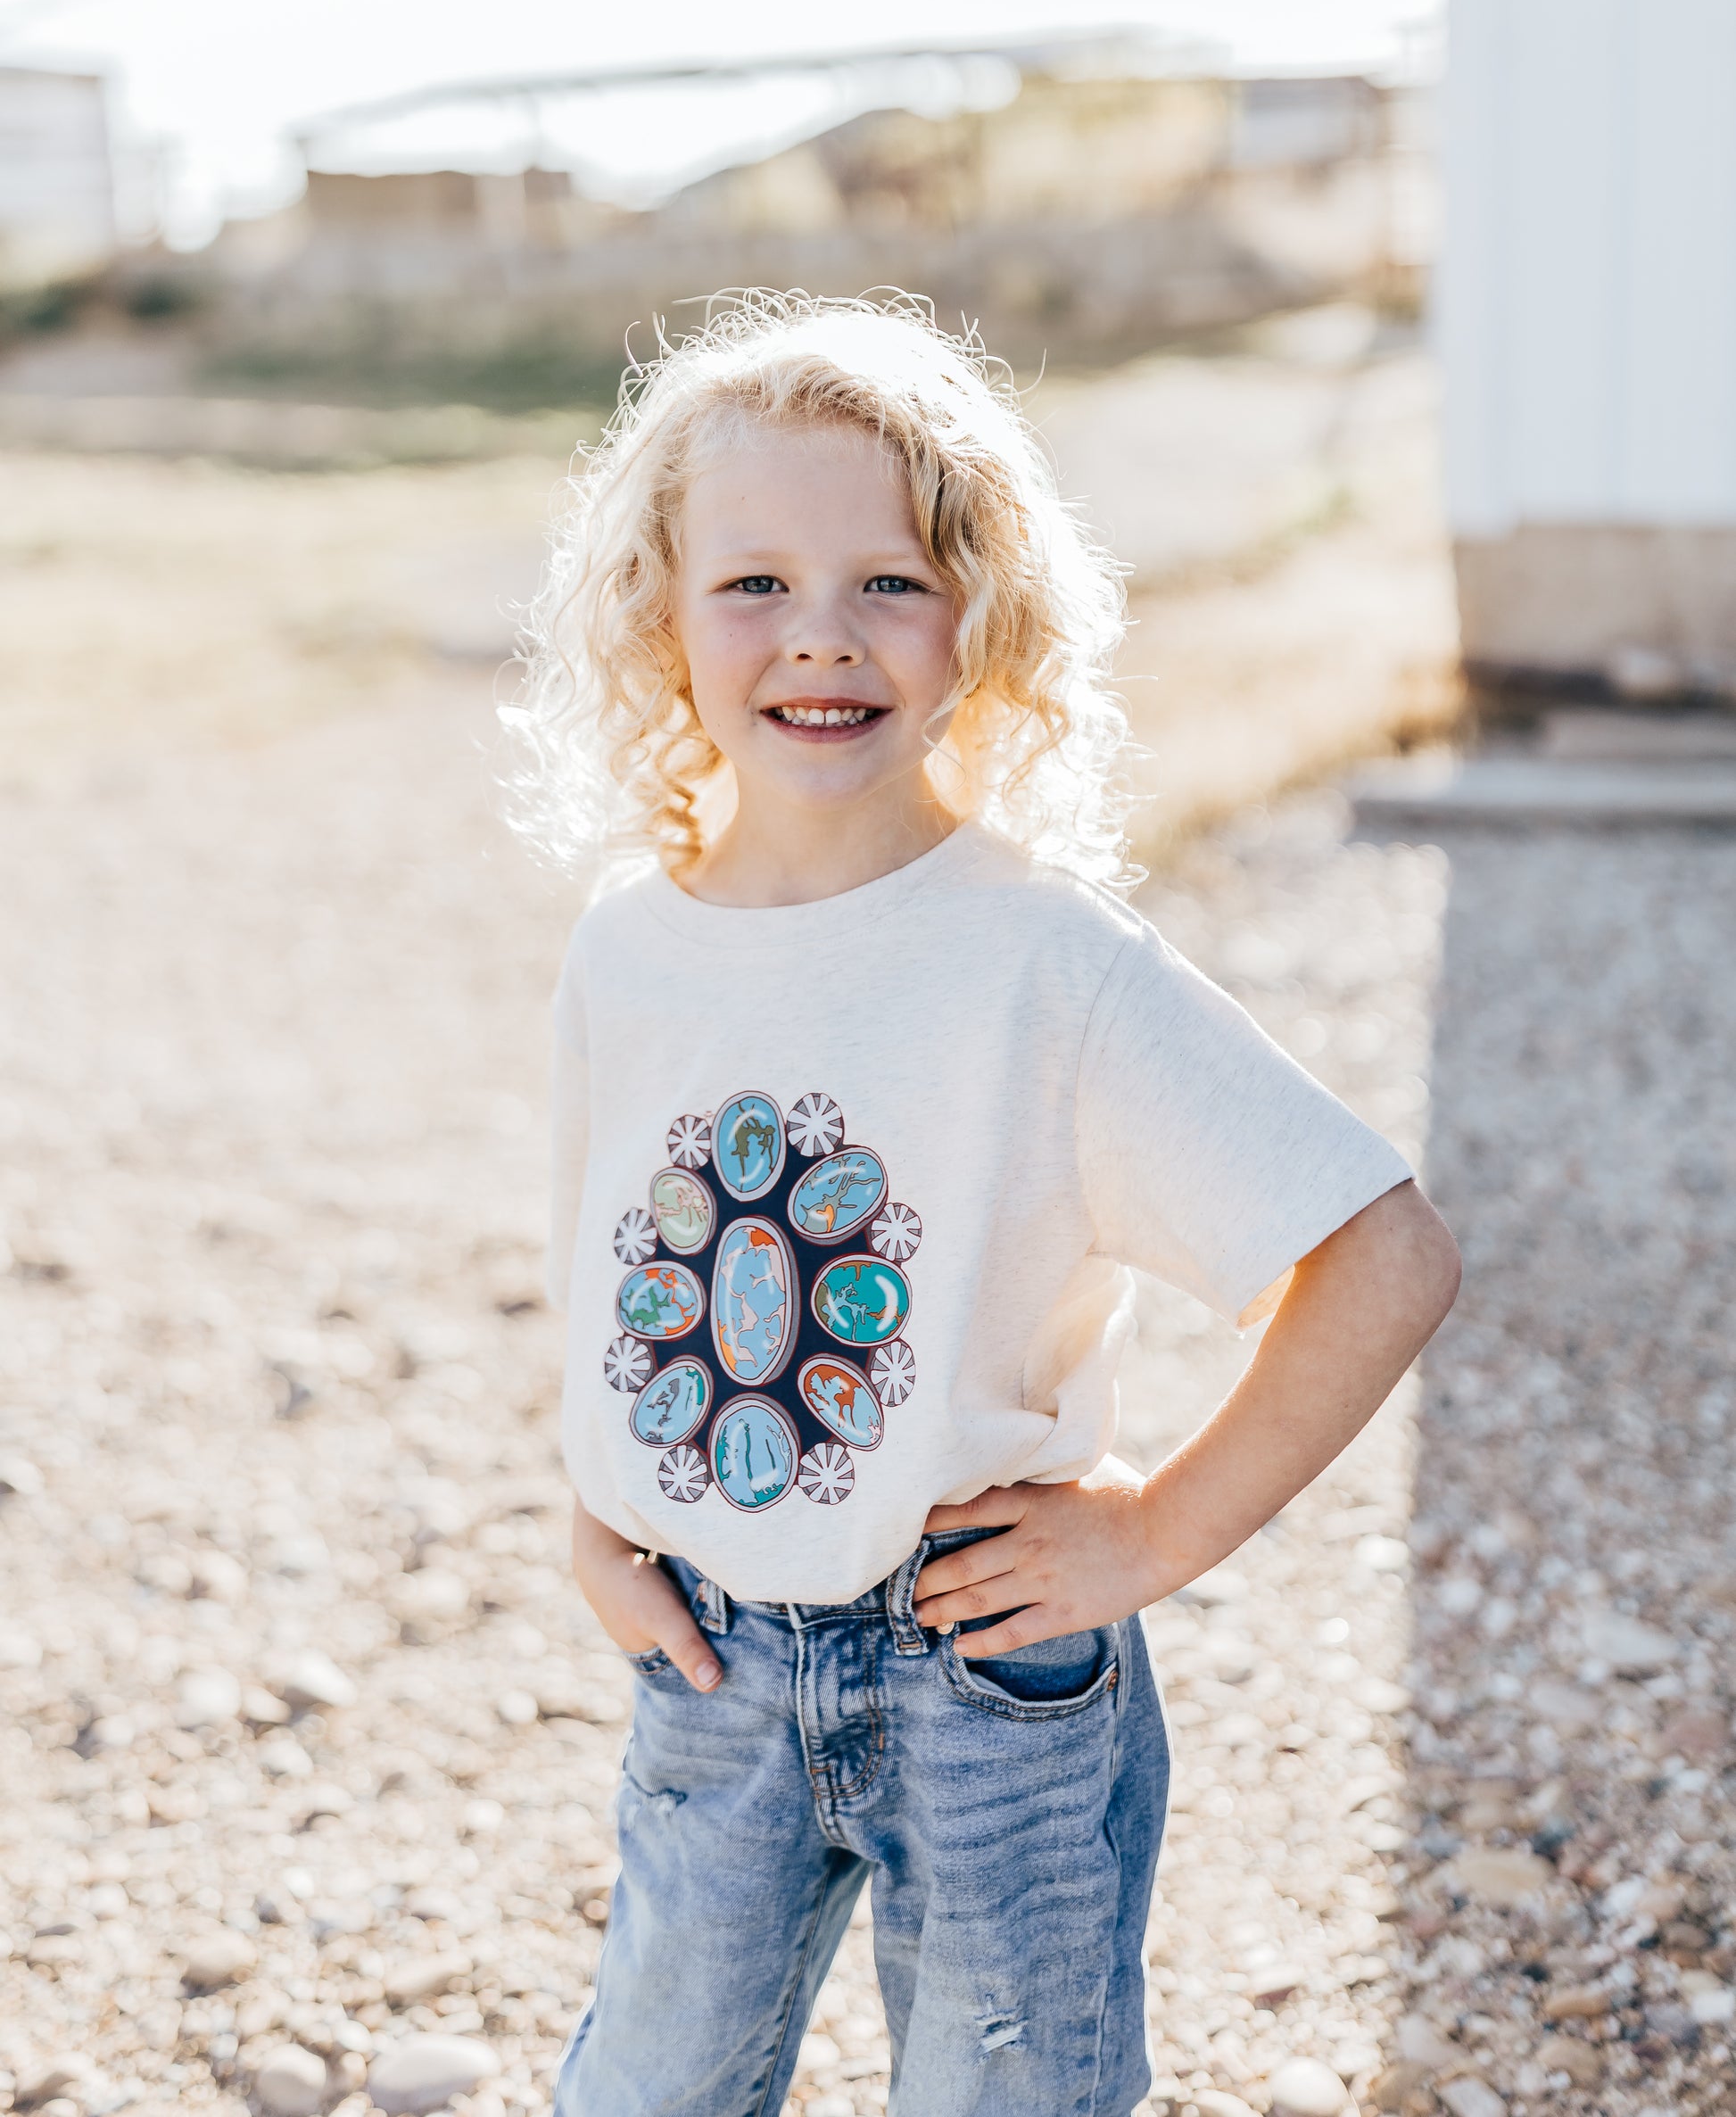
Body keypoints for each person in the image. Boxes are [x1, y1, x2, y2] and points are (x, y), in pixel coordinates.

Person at [510, 294, 1459, 2117]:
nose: (820, 637)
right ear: (658, 613)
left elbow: (1383, 1252)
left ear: (984, 612)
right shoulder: (630, 946)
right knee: (645, 2086)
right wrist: (593, 1512)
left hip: (986, 1680)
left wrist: (1153, 1531)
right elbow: (613, 1267)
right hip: (705, 1666)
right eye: (755, 583)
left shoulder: (1043, 961)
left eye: (889, 579)